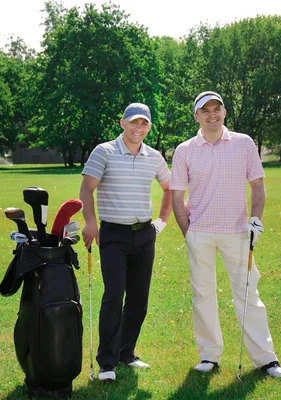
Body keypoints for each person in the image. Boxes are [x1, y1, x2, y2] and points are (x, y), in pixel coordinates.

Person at [170, 91, 281, 378]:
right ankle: (209, 357)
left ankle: (266, 360)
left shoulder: (244, 143)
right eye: (205, 110)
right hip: (199, 232)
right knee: (203, 296)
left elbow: (258, 187)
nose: (212, 114)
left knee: (249, 295)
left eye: (217, 109)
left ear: (224, 112)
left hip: (238, 233)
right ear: (196, 116)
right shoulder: (184, 149)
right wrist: (188, 232)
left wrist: (256, 221)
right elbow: (177, 196)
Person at [80, 102, 172, 382]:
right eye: (134, 122)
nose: (138, 128)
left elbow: (169, 188)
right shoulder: (104, 151)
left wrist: (161, 222)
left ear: (149, 127)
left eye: (144, 123)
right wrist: (91, 223)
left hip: (145, 235)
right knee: (113, 297)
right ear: (123, 123)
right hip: (114, 235)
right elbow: (87, 188)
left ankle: (126, 353)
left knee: (139, 300)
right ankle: (106, 363)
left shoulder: (154, 156)